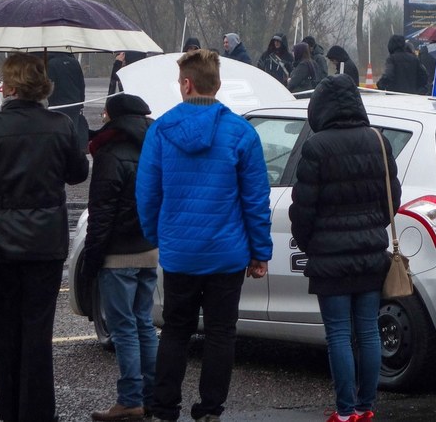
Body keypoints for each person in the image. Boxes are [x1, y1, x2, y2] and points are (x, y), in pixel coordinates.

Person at [136, 49, 272, 422]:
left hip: (180, 251)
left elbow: (147, 194)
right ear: (218, 84)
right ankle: (210, 409)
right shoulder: (241, 132)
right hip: (227, 253)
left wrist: (156, 235)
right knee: (220, 334)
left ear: (186, 83)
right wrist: (259, 251)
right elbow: (255, 199)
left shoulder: (161, 130)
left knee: (176, 331)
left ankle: (164, 408)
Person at [0, 53, 89, 422]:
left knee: (4, 331)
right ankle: (38, 411)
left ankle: (12, 411)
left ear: (12, 87)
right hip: (46, 242)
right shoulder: (61, 124)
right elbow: (78, 173)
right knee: (37, 331)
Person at [288, 75, 399, 422]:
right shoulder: (378, 141)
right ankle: (366, 407)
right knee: (367, 330)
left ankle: (345, 410)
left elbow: (302, 207)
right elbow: (391, 199)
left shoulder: (316, 147)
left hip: (329, 256)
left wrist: (311, 243)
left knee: (338, 332)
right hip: (370, 253)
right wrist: (371, 228)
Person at [82, 93, 158, 422]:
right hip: (149, 248)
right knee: (144, 324)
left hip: (118, 253)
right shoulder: (155, 146)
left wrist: (92, 258)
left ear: (115, 117)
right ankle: (153, 395)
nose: (102, 118)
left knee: (124, 327)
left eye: (105, 114)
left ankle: (129, 399)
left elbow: (102, 212)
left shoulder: (110, 153)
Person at [46, 50, 90, 151]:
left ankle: (62, 150)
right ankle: (73, 150)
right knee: (73, 128)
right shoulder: (75, 63)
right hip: (75, 102)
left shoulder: (51, 64)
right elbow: (81, 83)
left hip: (58, 104)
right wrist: (81, 101)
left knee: (59, 130)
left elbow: (49, 85)